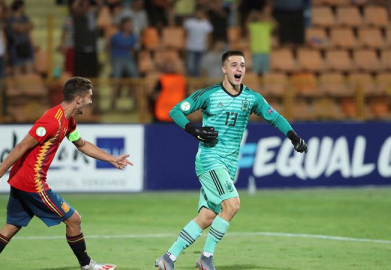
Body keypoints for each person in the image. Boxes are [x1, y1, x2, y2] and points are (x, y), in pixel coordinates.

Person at [154, 50, 308, 270]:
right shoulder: (208, 95)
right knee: (232, 204)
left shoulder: (251, 98)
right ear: (224, 70)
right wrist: (194, 130)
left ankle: (167, 258)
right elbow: (176, 110)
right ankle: (205, 259)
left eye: (242, 65)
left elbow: (275, 117)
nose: (239, 69)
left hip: (228, 164)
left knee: (207, 216)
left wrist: (293, 137)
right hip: (209, 160)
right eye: (234, 65)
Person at [0, 77, 133, 270]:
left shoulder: (68, 122)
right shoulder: (51, 121)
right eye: (89, 97)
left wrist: (112, 159)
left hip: (19, 181)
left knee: (11, 226)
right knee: (74, 220)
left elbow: (81, 144)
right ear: (78, 99)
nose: (91, 101)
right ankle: (87, 265)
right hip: (32, 184)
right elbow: (22, 146)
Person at [108, 17, 139, 109]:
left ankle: (135, 101)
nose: (130, 26)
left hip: (128, 59)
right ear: (123, 25)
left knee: (135, 78)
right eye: (128, 24)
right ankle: (113, 101)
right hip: (117, 58)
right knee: (116, 79)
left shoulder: (133, 37)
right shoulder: (116, 36)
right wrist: (111, 58)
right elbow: (109, 46)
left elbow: (133, 50)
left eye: (131, 24)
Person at [6, 0, 34, 75]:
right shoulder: (11, 19)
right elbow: (18, 28)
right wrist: (25, 27)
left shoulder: (25, 17)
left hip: (26, 46)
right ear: (19, 7)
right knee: (17, 69)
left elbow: (31, 26)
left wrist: (21, 28)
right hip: (15, 47)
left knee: (29, 68)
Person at [183, 8, 213, 77]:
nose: (199, 15)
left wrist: (208, 45)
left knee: (199, 66)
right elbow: (185, 34)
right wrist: (184, 44)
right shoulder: (189, 22)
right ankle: (190, 81)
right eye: (198, 13)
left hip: (201, 48)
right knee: (190, 66)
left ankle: (197, 83)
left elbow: (209, 36)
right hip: (191, 47)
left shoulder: (206, 24)